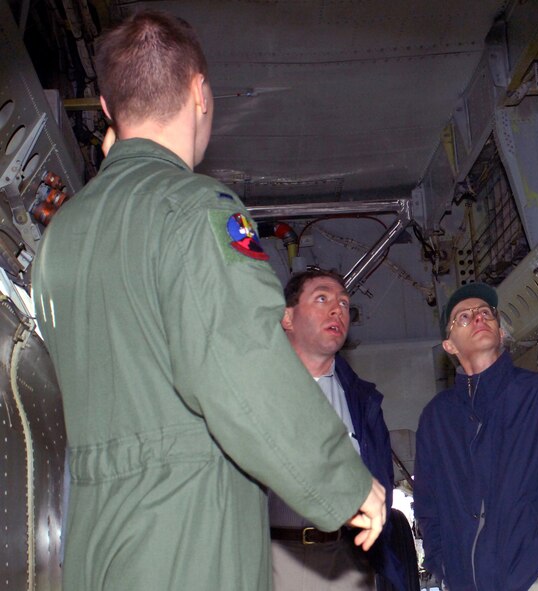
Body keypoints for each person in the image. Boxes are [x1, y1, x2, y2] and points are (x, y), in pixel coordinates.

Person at [31, 11, 385, 591]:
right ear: (199, 92)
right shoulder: (197, 209)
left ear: (105, 110)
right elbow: (241, 365)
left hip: (94, 541)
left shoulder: (62, 236)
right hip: (186, 536)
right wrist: (342, 481)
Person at [414, 282, 538, 591]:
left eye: (486, 313)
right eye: (464, 318)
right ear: (449, 345)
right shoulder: (436, 419)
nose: (478, 318)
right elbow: (429, 505)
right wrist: (442, 565)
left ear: (501, 332)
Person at [268, 269, 406, 590]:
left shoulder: (363, 401)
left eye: (344, 304)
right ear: (287, 318)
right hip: (274, 556)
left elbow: (380, 480)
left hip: (350, 558)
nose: (337, 310)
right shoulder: (257, 390)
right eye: (322, 299)